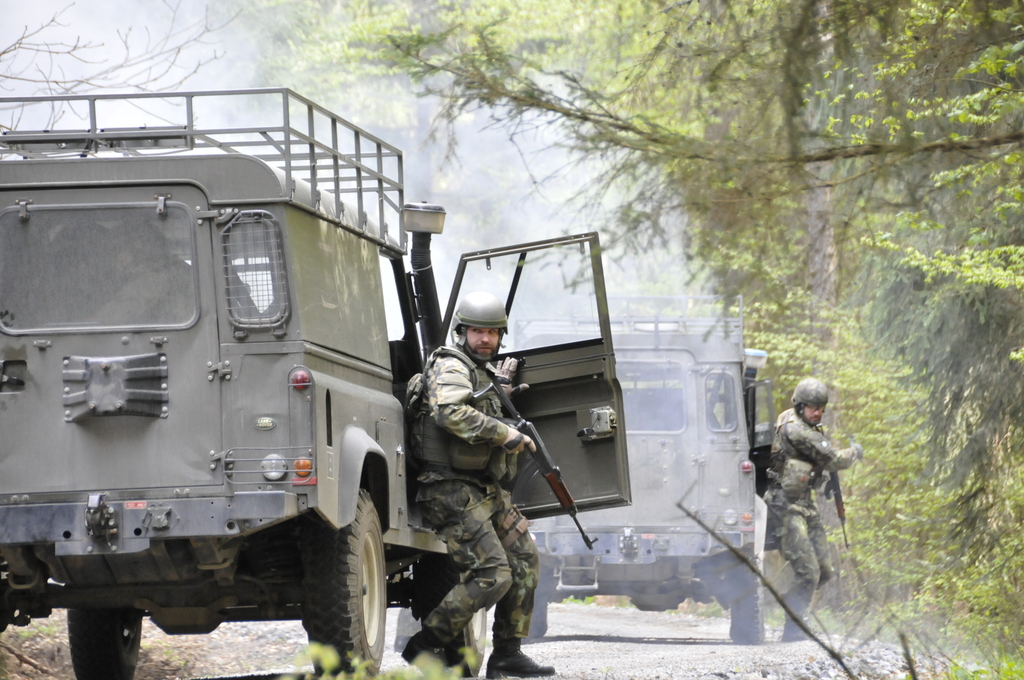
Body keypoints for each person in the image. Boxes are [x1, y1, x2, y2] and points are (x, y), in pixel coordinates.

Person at [403, 291, 556, 679]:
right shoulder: (452, 365)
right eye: (477, 332)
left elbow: (475, 400)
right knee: (493, 573)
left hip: (484, 489)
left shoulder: (479, 369)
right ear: (462, 332)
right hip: (450, 488)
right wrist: (502, 433)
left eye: (492, 332)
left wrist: (499, 390)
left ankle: (506, 653)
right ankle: (426, 642)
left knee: (524, 562)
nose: (485, 339)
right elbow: (450, 410)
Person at [767, 377, 863, 642]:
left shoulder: (804, 424)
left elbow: (814, 462)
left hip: (805, 503)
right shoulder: (797, 430)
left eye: (821, 407)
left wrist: (820, 478)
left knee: (824, 569)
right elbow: (834, 458)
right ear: (799, 406)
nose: (818, 412)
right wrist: (855, 452)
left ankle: (788, 598)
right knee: (808, 571)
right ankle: (793, 626)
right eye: (812, 407)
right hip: (786, 505)